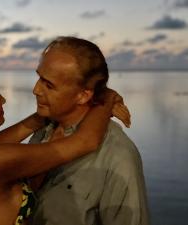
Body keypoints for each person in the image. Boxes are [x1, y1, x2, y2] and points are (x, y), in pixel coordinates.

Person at [0, 63, 129, 225]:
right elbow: (86, 142)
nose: (4, 100)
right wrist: (106, 99)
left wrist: (60, 104)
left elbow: (24, 127)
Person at [29, 37, 150, 225]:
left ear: (84, 95)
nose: (36, 90)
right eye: (39, 77)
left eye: (49, 85)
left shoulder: (117, 155)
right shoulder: (41, 133)